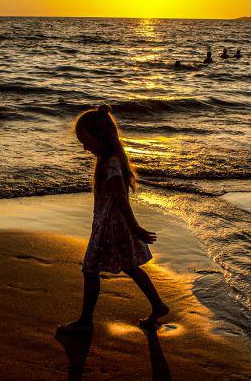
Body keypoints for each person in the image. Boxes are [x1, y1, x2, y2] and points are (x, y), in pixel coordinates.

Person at [58, 105, 169, 333]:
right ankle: (158, 305)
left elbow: (121, 199)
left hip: (112, 227)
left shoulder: (110, 164)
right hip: (110, 224)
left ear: (99, 137)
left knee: (90, 269)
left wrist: (134, 227)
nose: (84, 146)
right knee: (131, 267)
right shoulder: (109, 160)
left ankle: (86, 322)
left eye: (85, 140)